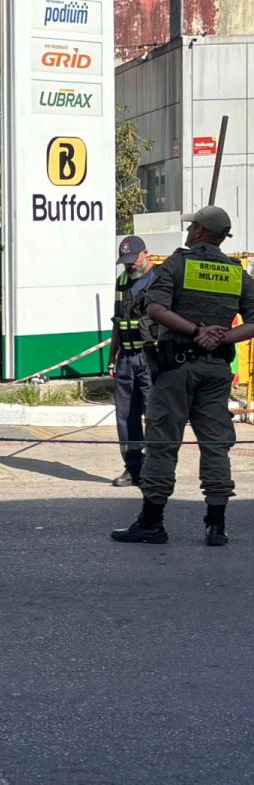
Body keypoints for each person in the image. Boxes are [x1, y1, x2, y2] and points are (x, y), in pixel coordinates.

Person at [111, 205, 254, 547]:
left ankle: (151, 522)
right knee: (216, 445)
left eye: (192, 227)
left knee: (162, 443)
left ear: (200, 231)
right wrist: (221, 337)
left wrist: (195, 331)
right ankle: (216, 525)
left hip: (176, 367)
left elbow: (155, 309)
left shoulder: (177, 264)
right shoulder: (237, 273)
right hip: (216, 369)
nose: (189, 231)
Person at [108, 235, 157, 488]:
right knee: (126, 417)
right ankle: (133, 468)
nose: (129, 265)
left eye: (133, 259)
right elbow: (117, 322)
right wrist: (111, 358)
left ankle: (155, 468)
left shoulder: (160, 278)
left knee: (154, 415)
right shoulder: (122, 281)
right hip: (126, 358)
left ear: (146, 253)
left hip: (151, 358)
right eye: (125, 261)